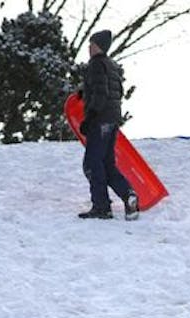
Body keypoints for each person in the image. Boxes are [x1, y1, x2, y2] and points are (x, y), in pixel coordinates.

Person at [78, 30, 139, 220]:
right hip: (112, 121)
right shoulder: (111, 66)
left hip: (100, 120)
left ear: (99, 46)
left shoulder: (96, 64)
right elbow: (115, 91)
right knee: (107, 164)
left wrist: (90, 117)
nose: (89, 47)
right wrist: (84, 92)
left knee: (92, 163)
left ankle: (101, 206)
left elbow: (101, 92)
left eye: (92, 44)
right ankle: (129, 195)